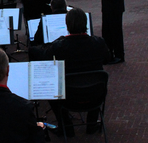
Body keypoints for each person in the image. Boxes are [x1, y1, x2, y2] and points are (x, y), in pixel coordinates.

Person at [44, 8, 111, 136]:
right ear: (85, 24)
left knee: (50, 89)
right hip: (95, 95)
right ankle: (91, 124)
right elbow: (107, 60)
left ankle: (66, 126)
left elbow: (46, 59)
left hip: (68, 97)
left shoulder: (59, 46)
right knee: (98, 79)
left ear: (67, 25)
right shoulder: (98, 43)